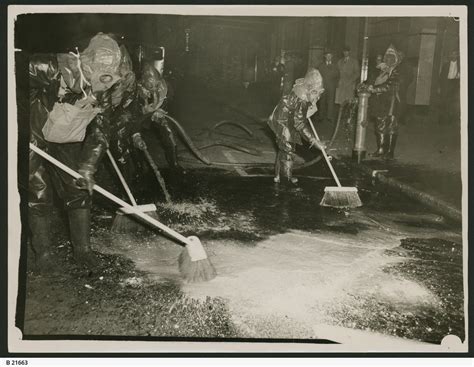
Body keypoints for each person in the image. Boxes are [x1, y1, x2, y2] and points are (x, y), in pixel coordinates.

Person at [25, 33, 129, 272]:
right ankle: (44, 254)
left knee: (78, 187)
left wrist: (88, 167)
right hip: (34, 131)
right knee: (38, 192)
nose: (97, 88)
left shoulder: (108, 84)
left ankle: (83, 251)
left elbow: (101, 131)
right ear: (84, 63)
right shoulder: (45, 66)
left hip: (67, 135)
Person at [267, 68, 326, 186]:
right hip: (283, 121)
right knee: (288, 148)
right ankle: (285, 179)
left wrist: (310, 106)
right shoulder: (302, 99)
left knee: (283, 148)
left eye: (319, 94)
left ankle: (279, 176)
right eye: (315, 94)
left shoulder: (302, 89)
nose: (317, 98)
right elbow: (299, 123)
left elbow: (299, 114)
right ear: (310, 90)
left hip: (285, 117)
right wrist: (313, 141)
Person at [367, 44, 402, 159]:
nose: (388, 60)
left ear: (395, 59)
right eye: (386, 57)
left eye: (391, 58)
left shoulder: (397, 71)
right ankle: (381, 149)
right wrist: (365, 85)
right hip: (381, 101)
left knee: (391, 126)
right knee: (380, 124)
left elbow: (389, 86)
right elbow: (372, 80)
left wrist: (374, 89)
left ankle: (390, 152)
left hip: (392, 102)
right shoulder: (382, 70)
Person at [317, 49, 339, 124]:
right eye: (327, 56)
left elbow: (338, 76)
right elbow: (318, 76)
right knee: (322, 101)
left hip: (331, 86)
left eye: (330, 56)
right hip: (323, 86)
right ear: (325, 56)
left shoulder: (335, 66)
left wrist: (335, 84)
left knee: (331, 101)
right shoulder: (321, 66)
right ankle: (321, 116)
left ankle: (329, 117)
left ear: (332, 56)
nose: (329, 57)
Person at [438, 50, 460, 124]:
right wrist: (439, 87)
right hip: (446, 84)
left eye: (455, 54)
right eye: (452, 54)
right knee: (443, 102)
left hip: (455, 85)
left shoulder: (461, 65)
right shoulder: (446, 65)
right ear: (450, 55)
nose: (453, 56)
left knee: (452, 103)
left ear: (457, 55)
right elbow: (441, 77)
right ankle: (442, 119)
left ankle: (450, 120)